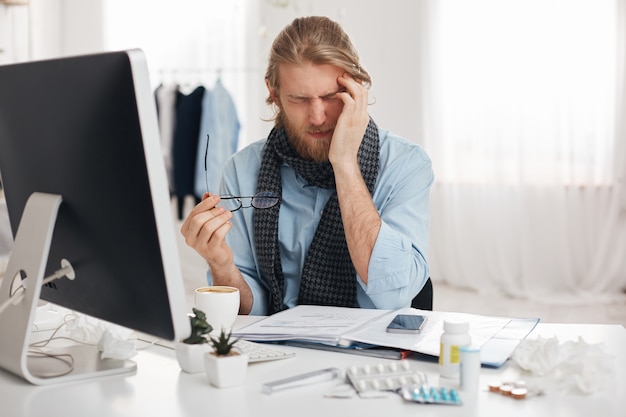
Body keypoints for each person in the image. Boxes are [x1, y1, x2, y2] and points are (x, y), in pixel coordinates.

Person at [181, 16, 433, 316]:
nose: (316, 116)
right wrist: (222, 266)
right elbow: (251, 313)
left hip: (369, 352)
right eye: (299, 99)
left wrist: (345, 164)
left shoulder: (406, 165)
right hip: (279, 348)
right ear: (273, 93)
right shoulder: (241, 171)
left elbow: (394, 295)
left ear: (357, 89)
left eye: (329, 97)